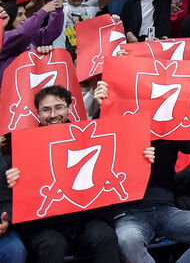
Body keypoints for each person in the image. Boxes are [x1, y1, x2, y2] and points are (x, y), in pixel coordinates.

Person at [91, 82, 190, 263]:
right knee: (129, 241)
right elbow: (96, 139)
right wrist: (104, 108)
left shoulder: (169, 122)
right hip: (128, 212)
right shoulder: (119, 123)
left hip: (166, 208)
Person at [5, 85, 128, 263]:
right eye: (46, 109)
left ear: (69, 108)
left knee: (105, 236)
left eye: (59, 107)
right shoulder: (24, 146)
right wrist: (13, 181)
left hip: (85, 220)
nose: (53, 114)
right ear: (38, 114)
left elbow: (120, 144)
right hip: (44, 226)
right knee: (52, 244)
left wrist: (144, 154)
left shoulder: (88, 137)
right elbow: (11, 193)